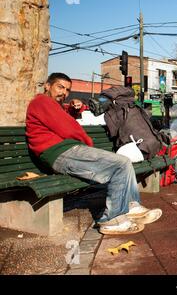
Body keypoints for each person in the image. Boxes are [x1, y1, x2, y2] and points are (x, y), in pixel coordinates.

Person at [25, 73, 162, 235]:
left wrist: (73, 109)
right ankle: (111, 219)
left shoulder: (54, 105)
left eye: (68, 90)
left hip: (67, 151)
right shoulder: (42, 101)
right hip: (59, 153)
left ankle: (130, 206)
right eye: (60, 87)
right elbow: (67, 127)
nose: (64, 93)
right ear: (47, 86)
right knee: (120, 164)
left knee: (123, 161)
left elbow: (61, 120)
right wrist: (87, 141)